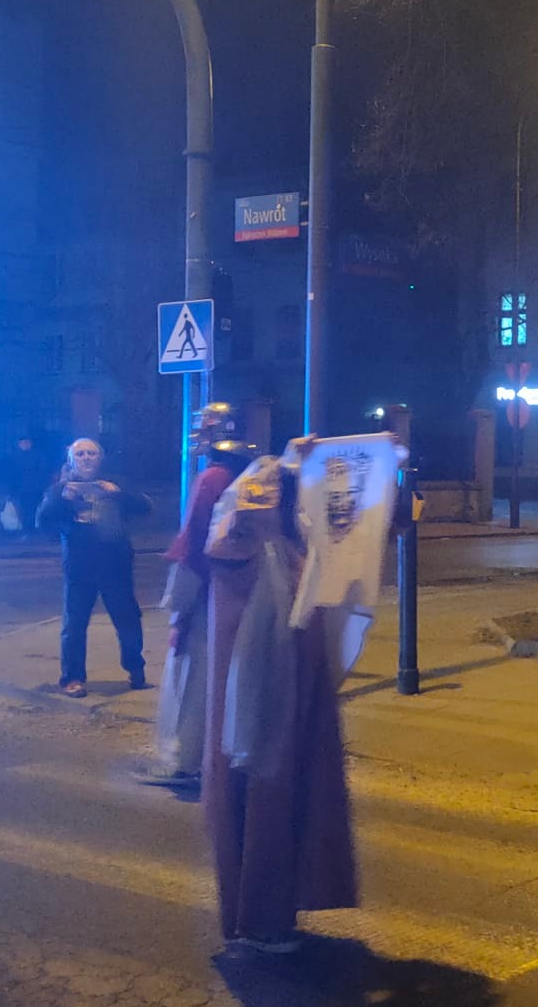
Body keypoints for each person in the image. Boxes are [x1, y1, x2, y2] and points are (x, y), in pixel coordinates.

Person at [200, 446, 359, 950]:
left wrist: (380, 470)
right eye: (262, 490)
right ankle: (258, 919)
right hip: (259, 703)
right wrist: (280, 470)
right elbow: (230, 534)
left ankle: (276, 909)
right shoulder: (242, 546)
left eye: (279, 492)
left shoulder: (291, 546)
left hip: (296, 693)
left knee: (295, 796)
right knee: (260, 799)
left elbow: (360, 534)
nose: (269, 497)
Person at [138, 405, 249, 787]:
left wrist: (178, 606)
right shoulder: (251, 475)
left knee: (192, 679)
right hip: (240, 595)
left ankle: (185, 761)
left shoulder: (211, 479)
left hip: (205, 596)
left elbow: (194, 544)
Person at [36, 438, 150, 698]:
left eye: (91, 453)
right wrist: (62, 501)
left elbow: (145, 507)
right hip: (79, 566)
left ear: (100, 458)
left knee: (128, 620)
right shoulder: (60, 489)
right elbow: (43, 522)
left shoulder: (116, 483)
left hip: (116, 565)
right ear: (71, 460)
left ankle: (136, 670)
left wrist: (118, 493)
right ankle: (72, 678)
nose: (86, 458)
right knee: (74, 624)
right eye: (80, 454)